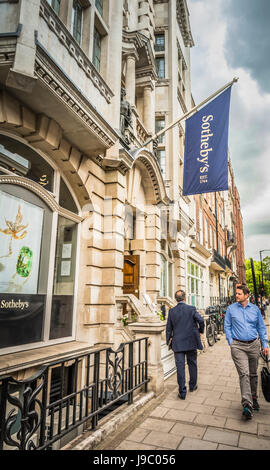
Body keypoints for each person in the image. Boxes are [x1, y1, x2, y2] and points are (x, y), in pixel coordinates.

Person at [224, 284, 269, 419]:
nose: (236, 295)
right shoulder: (231, 309)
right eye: (236, 293)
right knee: (244, 374)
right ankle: (247, 404)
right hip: (238, 346)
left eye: (239, 294)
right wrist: (231, 342)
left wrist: (265, 344)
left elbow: (261, 327)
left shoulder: (255, 310)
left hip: (254, 345)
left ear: (246, 295)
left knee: (253, 374)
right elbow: (227, 326)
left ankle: (254, 397)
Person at [166, 290, 205, 400]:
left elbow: (168, 329)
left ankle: (182, 392)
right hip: (191, 341)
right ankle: (192, 386)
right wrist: (200, 331)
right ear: (185, 298)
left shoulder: (172, 311)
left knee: (180, 367)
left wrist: (168, 341)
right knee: (192, 363)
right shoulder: (191, 308)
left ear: (175, 299)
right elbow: (201, 320)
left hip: (178, 343)